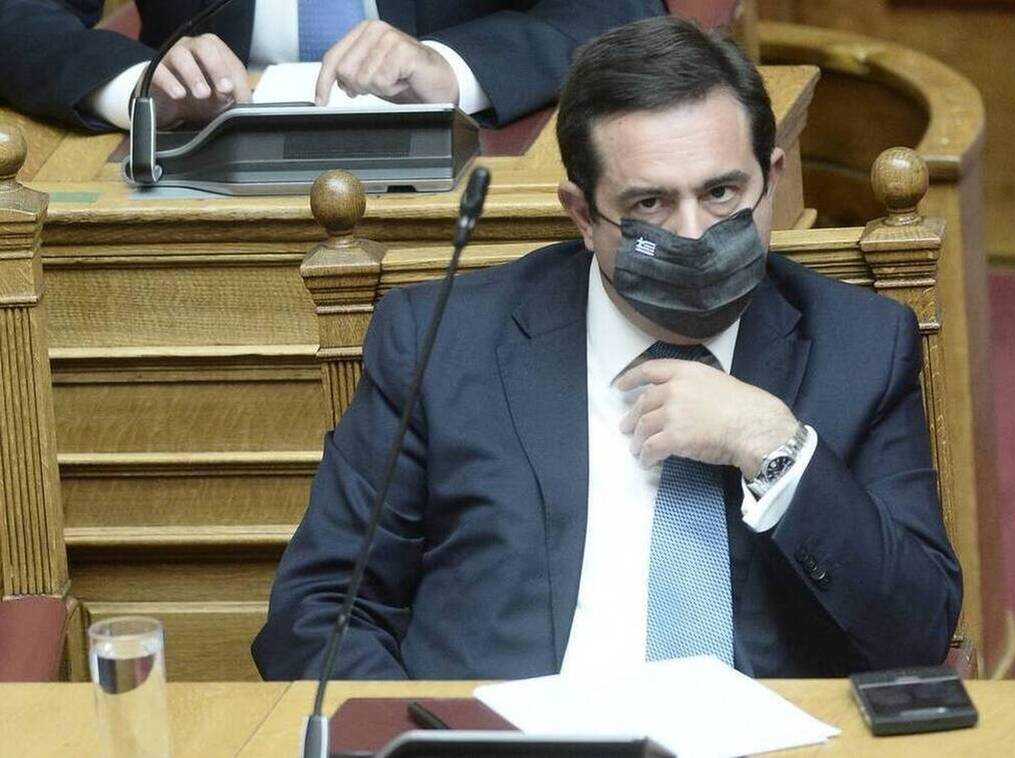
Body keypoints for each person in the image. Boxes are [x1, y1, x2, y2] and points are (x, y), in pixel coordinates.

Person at [252, 16, 962, 681]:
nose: (694, 234)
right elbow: (319, 613)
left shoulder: (860, 346)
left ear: (771, 179)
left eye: (722, 193)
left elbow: (919, 633)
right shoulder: (442, 341)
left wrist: (775, 448)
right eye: (650, 204)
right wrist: (434, 742)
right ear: (583, 215)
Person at [0, 0, 664, 130]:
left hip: (468, 156)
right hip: (201, 157)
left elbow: (620, 9)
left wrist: (453, 68)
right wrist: (139, 86)